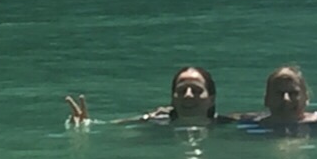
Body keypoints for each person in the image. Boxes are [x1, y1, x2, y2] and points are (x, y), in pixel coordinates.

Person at [66, 66, 223, 126]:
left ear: (212, 99)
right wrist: (85, 125)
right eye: (181, 91)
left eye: (196, 90)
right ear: (172, 99)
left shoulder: (229, 125)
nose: (188, 95)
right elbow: (109, 127)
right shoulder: (153, 124)